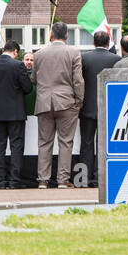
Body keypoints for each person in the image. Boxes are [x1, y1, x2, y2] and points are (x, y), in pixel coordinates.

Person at [32, 21, 84, 188]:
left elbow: (33, 78)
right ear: (67, 35)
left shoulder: (39, 54)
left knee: (44, 142)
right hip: (66, 102)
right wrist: (79, 100)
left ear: (51, 35)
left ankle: (43, 180)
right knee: (66, 142)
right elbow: (78, 80)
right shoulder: (73, 53)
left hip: (44, 101)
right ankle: (62, 180)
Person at [0, 38, 33, 188]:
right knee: (16, 147)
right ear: (15, 52)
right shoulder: (18, 65)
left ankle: (0, 181)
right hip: (15, 113)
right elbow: (27, 88)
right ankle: (14, 181)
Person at [80, 30, 122, 188]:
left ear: (93, 43)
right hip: (109, 108)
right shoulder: (116, 60)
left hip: (87, 108)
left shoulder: (84, 58)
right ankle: (101, 178)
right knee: (105, 145)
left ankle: (84, 179)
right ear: (108, 44)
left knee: (86, 144)